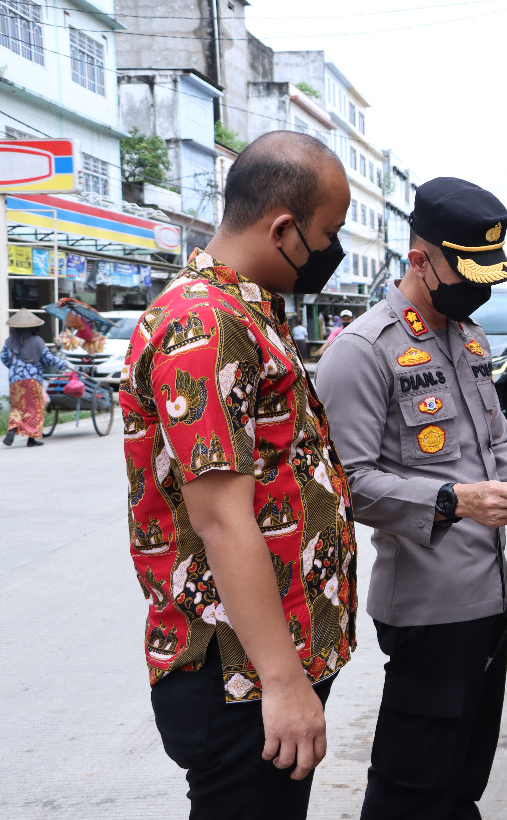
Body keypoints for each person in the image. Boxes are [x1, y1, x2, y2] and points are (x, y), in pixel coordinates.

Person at [317, 176, 507, 820]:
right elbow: (348, 485)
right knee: (412, 790)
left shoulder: (467, 338)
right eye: (467, 272)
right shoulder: (362, 352)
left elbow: (497, 445)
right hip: (426, 610)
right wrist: (455, 501)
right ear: (419, 259)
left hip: (489, 597)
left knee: (463, 778)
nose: (479, 289)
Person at [120, 130, 357, 819]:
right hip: (241, 676)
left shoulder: (249, 310)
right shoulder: (206, 323)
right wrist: (282, 681)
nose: (332, 252)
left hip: (266, 665)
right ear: (283, 227)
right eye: (328, 233)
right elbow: (222, 519)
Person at [0, 308, 74, 447]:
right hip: (32, 380)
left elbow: (4, 358)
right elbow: (48, 359)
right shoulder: (37, 341)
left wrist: (15, 367)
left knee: (18, 407)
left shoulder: (10, 340)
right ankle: (31, 439)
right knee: (34, 409)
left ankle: (13, 426)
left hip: (14, 381)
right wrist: (64, 366)